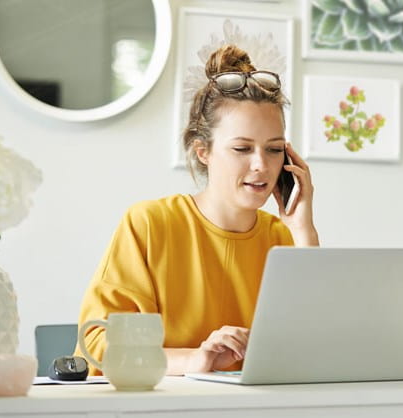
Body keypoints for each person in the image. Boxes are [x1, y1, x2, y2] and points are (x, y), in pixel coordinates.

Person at [75, 45, 319, 375]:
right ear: (202, 150)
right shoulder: (149, 223)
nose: (261, 165)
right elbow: (98, 345)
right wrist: (195, 360)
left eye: (274, 149)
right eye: (242, 148)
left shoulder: (284, 237)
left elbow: (315, 350)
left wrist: (304, 231)